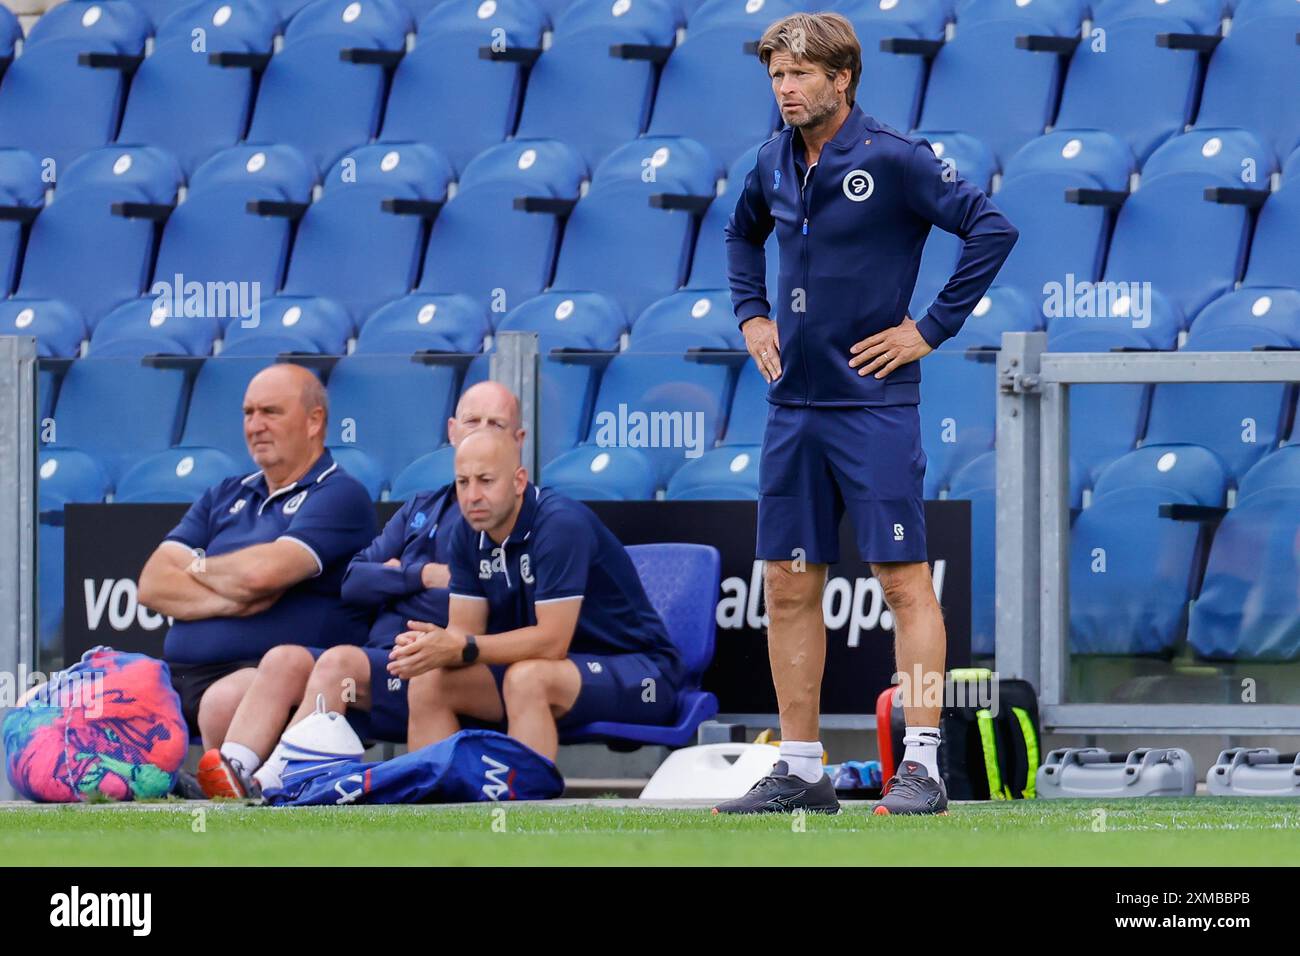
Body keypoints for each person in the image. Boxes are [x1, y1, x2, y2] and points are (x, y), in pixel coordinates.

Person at [716, 12, 1019, 815]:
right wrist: (751, 314)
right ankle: (804, 769)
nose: (784, 90)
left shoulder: (894, 157)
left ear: (841, 78)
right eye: (776, 76)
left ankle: (921, 766)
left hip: (873, 405)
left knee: (902, 581)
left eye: (799, 76)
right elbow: (740, 235)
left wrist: (929, 328)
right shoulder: (771, 160)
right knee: (786, 583)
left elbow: (990, 227)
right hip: (793, 407)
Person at [194, 382, 526, 798]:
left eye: (495, 424)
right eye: (472, 421)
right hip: (383, 662)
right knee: (283, 660)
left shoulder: (505, 513)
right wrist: (418, 577)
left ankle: (266, 784)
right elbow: (353, 582)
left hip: (441, 667)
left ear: (518, 439)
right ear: (453, 430)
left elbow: (476, 596)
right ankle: (231, 770)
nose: (480, 432)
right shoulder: (420, 507)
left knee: (339, 664)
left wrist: (392, 579)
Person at [393, 429, 682, 762]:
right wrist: (430, 649)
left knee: (527, 679)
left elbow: (551, 642)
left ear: (518, 481)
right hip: (553, 669)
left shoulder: (559, 524)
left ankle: (524, 811)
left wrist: (461, 647)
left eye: (486, 481)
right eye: (463, 482)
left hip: (644, 673)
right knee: (430, 683)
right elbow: (464, 633)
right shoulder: (467, 532)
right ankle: (438, 806)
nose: (472, 496)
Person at [138, 364, 376, 748]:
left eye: (271, 412)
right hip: (182, 673)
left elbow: (261, 576)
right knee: (105, 695)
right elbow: (152, 584)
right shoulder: (225, 493)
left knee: (223, 703)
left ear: (314, 422)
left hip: (272, 674)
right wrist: (233, 600)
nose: (255, 425)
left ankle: (234, 797)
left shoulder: (339, 494)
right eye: (248, 413)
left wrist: (196, 568)